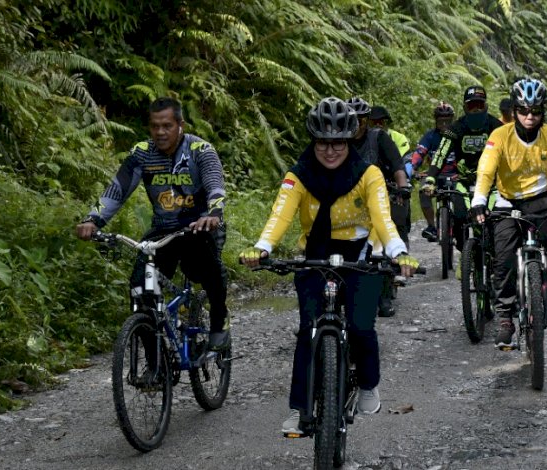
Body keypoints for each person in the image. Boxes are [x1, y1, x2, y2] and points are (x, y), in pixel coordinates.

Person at [238, 97, 419, 435]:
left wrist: (396, 252)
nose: (331, 150)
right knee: (308, 331)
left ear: (350, 139)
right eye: (323, 142)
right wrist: (262, 248)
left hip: (361, 252)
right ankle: (299, 409)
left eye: (338, 142)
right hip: (315, 253)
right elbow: (280, 215)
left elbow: (383, 218)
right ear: (314, 141)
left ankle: (367, 385)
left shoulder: (369, 174)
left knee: (363, 327)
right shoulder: (299, 175)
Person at [76, 97, 231, 349]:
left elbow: (215, 185)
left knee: (209, 272)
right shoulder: (142, 154)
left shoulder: (200, 150)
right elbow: (117, 190)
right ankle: (153, 363)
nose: (160, 132)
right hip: (163, 229)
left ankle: (218, 319)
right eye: (155, 126)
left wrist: (212, 214)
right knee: (139, 288)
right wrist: (93, 220)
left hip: (200, 226)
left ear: (180, 124)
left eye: (167, 126)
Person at [469, 78, 547, 348]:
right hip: (508, 202)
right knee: (503, 258)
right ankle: (504, 319)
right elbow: (486, 170)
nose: (530, 117)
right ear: (514, 111)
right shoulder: (499, 136)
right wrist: (478, 199)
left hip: (543, 200)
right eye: (523, 111)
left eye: (535, 111)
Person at [348, 97, 412, 317]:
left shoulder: (379, 138)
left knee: (382, 246)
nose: (357, 124)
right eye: (353, 119)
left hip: (381, 196)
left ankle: (384, 298)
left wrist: (403, 187)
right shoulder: (338, 141)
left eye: (362, 119)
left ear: (367, 120)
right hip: (347, 199)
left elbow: (397, 165)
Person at [426, 85, 504, 254]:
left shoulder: (497, 127)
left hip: (493, 184)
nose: (476, 110)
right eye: (471, 106)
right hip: (464, 183)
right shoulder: (456, 128)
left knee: (498, 219)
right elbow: (441, 154)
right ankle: (465, 253)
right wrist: (431, 178)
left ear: (486, 106)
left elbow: (511, 154)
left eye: (479, 105)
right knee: (460, 217)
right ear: (465, 108)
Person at [409, 101, 455, 242]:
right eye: (441, 121)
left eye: (447, 121)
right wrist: (412, 168)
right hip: (434, 176)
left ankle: (462, 225)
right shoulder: (430, 136)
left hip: (455, 176)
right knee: (424, 191)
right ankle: (432, 226)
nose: (444, 125)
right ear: (436, 121)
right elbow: (419, 153)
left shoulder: (457, 134)